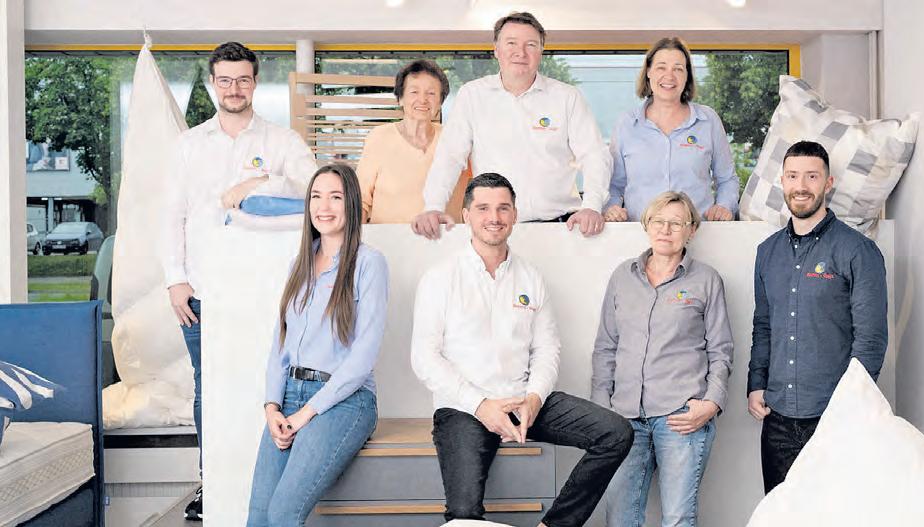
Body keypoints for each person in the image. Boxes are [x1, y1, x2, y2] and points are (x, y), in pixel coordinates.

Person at [411, 173, 633, 527]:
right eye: (483, 208)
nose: (494, 217)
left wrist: (533, 398)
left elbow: (547, 348)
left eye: (503, 208)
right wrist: (481, 406)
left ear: (514, 215)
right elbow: (424, 359)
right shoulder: (441, 277)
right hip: (463, 408)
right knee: (464, 515)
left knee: (616, 433)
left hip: (523, 400)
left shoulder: (530, 277)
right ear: (466, 215)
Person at [161, 41, 317, 521]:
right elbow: (171, 216)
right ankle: (212, 484)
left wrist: (259, 184)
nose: (234, 88)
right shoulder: (188, 146)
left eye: (243, 79)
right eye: (225, 80)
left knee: (267, 386)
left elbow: (315, 188)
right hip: (202, 292)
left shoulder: (281, 141)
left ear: (255, 82)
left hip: (267, 294)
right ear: (213, 83)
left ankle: (272, 483)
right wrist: (175, 280)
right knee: (210, 388)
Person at [246, 164, 388, 526]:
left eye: (335, 197)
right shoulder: (300, 263)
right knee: (258, 517)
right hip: (289, 397)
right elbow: (280, 344)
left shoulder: (369, 263)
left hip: (345, 401)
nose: (324, 206)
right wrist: (272, 407)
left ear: (351, 203)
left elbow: (363, 356)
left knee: (282, 513)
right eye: (316, 196)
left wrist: (306, 413)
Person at [747, 140, 888, 493]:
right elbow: (763, 326)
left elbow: (870, 339)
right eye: (793, 176)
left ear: (828, 183)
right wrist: (756, 382)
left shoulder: (857, 250)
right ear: (782, 181)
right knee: (780, 513)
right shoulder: (767, 253)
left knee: (834, 512)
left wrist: (851, 404)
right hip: (777, 420)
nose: (801, 185)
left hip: (834, 416)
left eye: (812, 176)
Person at [593, 191, 733, 527]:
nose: (665, 229)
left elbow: (721, 348)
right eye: (658, 221)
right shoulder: (622, 277)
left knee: (678, 519)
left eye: (676, 223)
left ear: (691, 230)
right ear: (646, 225)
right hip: (624, 418)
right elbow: (606, 346)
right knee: (619, 519)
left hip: (681, 417)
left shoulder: (706, 280)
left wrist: (711, 403)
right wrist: (601, 409)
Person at [411, 12, 611, 239]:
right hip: (494, 230)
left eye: (531, 45)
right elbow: (450, 157)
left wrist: (592, 205)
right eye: (511, 43)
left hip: (561, 227)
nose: (520, 52)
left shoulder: (567, 97)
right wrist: (433, 206)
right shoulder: (472, 95)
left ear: (541, 51)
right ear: (496, 49)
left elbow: (594, 154)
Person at [604, 38, 737, 224]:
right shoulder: (626, 124)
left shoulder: (708, 121)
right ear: (648, 72)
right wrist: (612, 208)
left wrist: (724, 206)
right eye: (661, 67)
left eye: (678, 69)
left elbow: (727, 179)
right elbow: (613, 185)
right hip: (639, 233)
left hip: (698, 232)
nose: (669, 76)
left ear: (687, 76)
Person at [355, 59, 469, 223]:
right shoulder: (379, 137)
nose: (422, 100)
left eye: (431, 93)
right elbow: (360, 200)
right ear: (400, 98)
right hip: (388, 237)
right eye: (414, 92)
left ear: (440, 102)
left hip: (445, 237)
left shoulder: (455, 138)